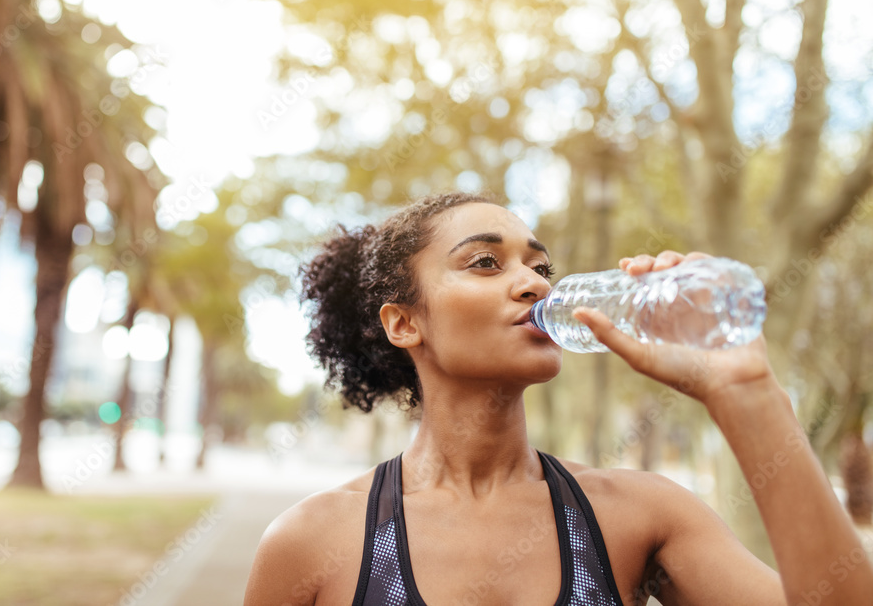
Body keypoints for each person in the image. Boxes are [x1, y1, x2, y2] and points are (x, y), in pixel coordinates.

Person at [243, 192, 873, 605]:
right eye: (486, 263)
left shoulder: (639, 515)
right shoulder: (313, 540)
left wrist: (749, 395)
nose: (531, 285)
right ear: (405, 323)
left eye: (540, 268)